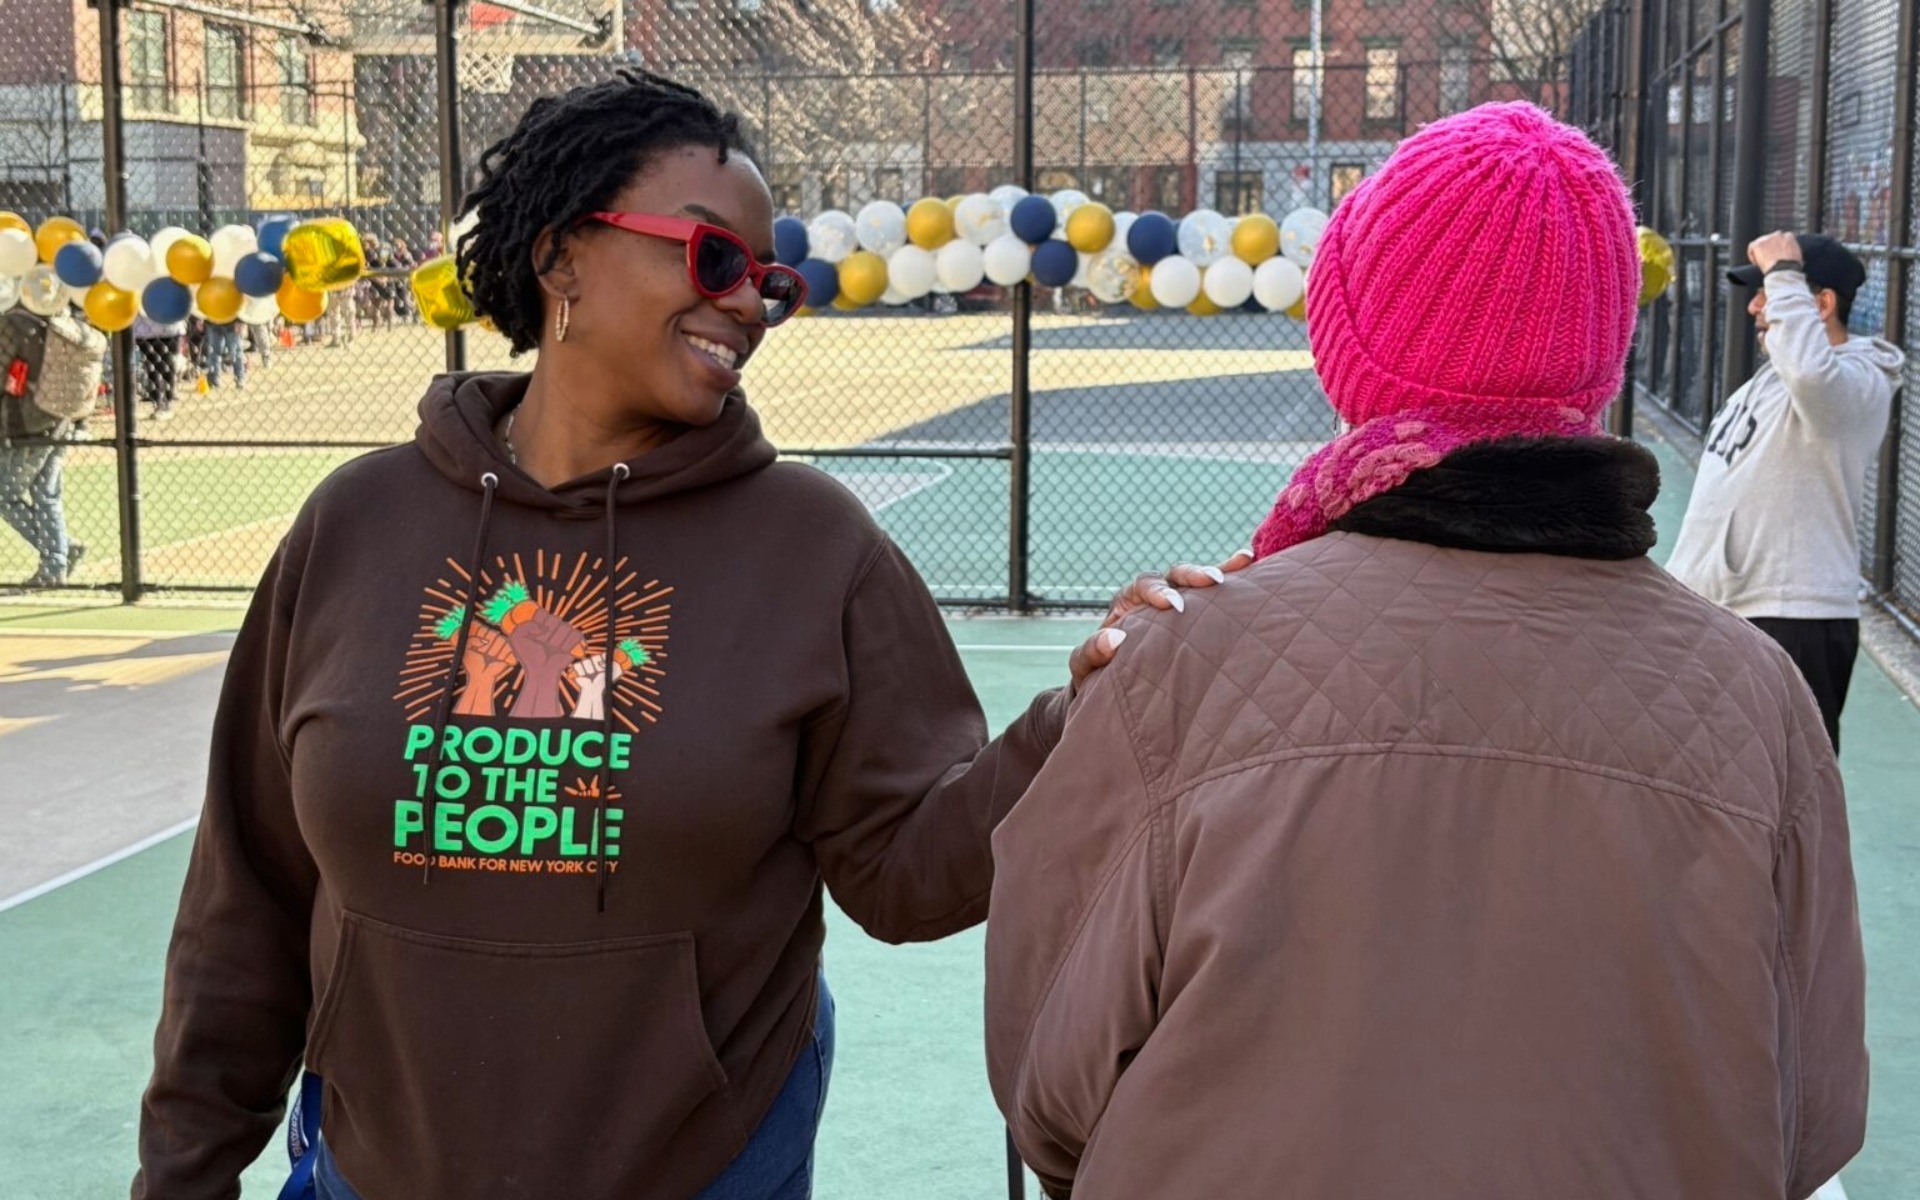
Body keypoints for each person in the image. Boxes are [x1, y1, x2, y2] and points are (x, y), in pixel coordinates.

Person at [132, 70, 1234, 1200]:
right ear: (562, 254)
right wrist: (185, 1173)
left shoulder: (815, 550)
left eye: (768, 280)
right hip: (373, 1173)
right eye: (713, 260)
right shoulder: (357, 525)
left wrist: (1077, 718)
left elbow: (909, 873)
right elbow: (245, 898)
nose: (749, 304)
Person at [985, 103, 1866, 1200]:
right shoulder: (1761, 698)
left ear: (1356, 347)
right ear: (1595, 360)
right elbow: (1814, 1111)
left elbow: (1045, 1087)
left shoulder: (1184, 658)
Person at [1667, 232, 1903, 750]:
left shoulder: (1862, 379)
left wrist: (1786, 275)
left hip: (1794, 617)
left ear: (1819, 303)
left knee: (1789, 795)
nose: (1754, 306)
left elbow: (1818, 381)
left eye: (1768, 291)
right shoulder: (1771, 380)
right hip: (1728, 610)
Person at [0, 309, 86, 586]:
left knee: (5, 496)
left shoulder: (12, 324)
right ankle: (58, 556)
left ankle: (56, 557)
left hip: (25, 422)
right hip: (59, 418)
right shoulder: (55, 320)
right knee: (46, 495)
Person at [132, 310, 183, 419]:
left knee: (165, 365)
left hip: (168, 328)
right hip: (146, 329)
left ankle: (166, 401)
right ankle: (160, 403)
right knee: (154, 367)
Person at [204, 317, 247, 390]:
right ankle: (213, 380)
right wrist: (201, 319)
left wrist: (240, 321)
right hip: (213, 321)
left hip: (232, 322)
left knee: (236, 352)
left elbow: (239, 305)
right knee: (214, 352)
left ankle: (240, 377)